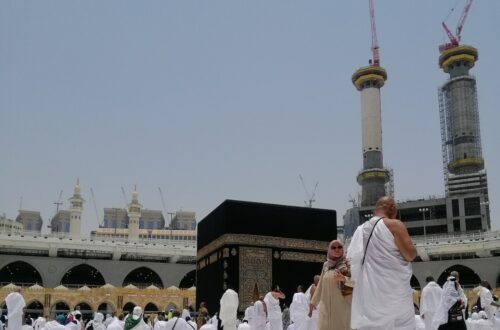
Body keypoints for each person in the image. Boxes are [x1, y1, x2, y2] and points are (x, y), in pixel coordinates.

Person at [347, 196, 416, 330]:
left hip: (369, 294)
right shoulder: (394, 225)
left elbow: (352, 260)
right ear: (392, 208)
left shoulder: (361, 230)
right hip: (394, 293)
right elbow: (410, 255)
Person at [309, 239, 352, 330]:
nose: (337, 249)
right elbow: (320, 285)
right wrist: (313, 303)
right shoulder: (326, 265)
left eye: (339, 247)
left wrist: (343, 278)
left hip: (342, 308)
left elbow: (356, 282)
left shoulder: (348, 264)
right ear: (329, 250)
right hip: (325, 309)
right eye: (333, 247)